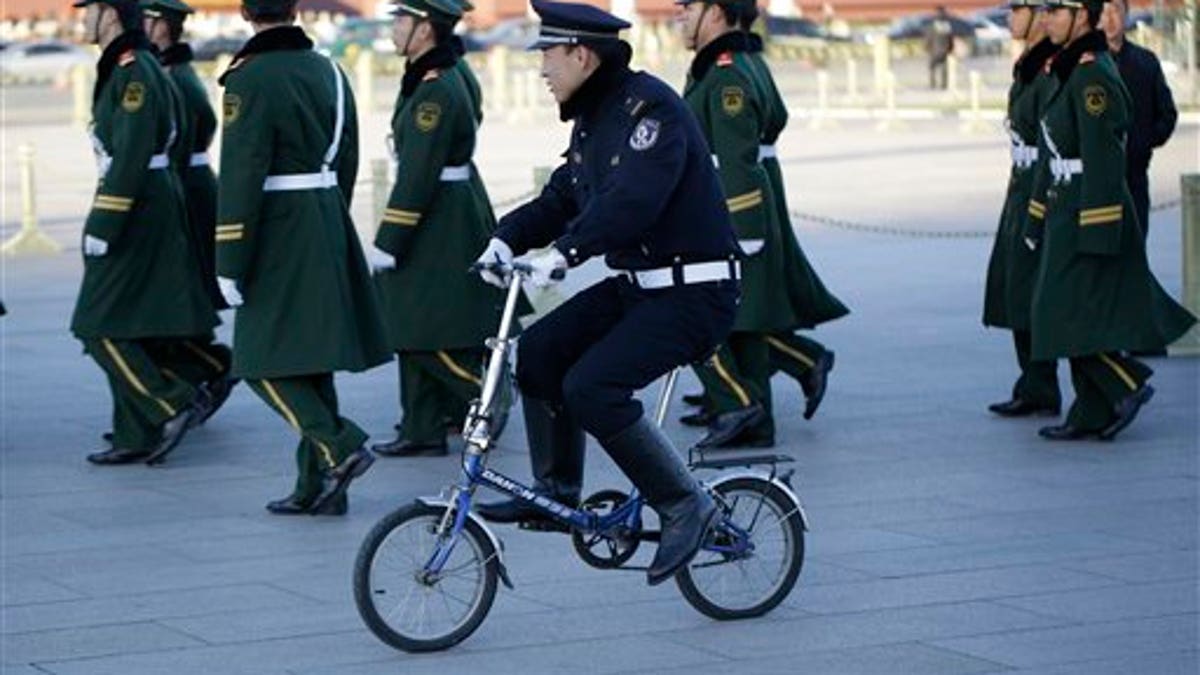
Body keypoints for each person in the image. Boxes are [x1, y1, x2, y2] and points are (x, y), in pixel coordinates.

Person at [473, 0, 741, 586]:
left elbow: (632, 202)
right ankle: (554, 490)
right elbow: (566, 195)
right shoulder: (595, 118)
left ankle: (683, 502)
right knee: (540, 351)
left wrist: (565, 255)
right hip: (640, 287)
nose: (541, 67)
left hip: (696, 292)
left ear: (582, 54)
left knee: (593, 388)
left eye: (548, 54)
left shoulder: (652, 111)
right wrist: (504, 237)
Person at [215, 0, 389, 514]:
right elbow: (349, 153)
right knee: (310, 359)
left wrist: (229, 258)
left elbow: (242, 173)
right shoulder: (331, 70)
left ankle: (340, 444)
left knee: (258, 359)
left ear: (247, 13)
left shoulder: (249, 78)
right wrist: (327, 209)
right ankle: (317, 486)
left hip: (277, 226)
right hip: (326, 215)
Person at [1025, 0, 1194, 441]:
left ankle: (1125, 382)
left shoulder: (1091, 73)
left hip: (1088, 208)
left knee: (1060, 312)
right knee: (1068, 312)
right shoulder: (1067, 68)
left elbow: (1102, 155)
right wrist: (1036, 216)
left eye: (1056, 12)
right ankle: (1091, 411)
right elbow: (1051, 151)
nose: (1047, 20)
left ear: (1082, 16)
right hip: (1066, 205)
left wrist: (1099, 225)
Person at [679, 3, 846, 436]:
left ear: (716, 13)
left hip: (731, 203)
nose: (679, 15)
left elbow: (738, 158)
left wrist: (745, 224)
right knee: (741, 310)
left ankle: (743, 406)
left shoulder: (728, 72)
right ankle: (742, 404)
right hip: (726, 197)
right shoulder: (730, 64)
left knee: (735, 309)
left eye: (689, 7)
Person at [70, 0, 217, 466]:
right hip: (148, 202)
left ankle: (169, 402)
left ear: (110, 14)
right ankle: (135, 433)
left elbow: (133, 152)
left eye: (87, 10)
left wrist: (105, 221)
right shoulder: (133, 65)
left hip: (135, 209)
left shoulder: (134, 70)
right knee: (130, 325)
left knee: (97, 325)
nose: (82, 19)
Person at [367, 0, 506, 458]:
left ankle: (490, 398)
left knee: (425, 322)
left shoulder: (436, 88)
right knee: (413, 319)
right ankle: (421, 424)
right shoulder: (439, 75)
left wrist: (390, 238)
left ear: (425, 29)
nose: (395, 29)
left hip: (438, 218)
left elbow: (418, 172)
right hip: (447, 208)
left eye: (402, 21)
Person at [140, 0, 237, 420]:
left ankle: (211, 366)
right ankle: (204, 368)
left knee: (185, 290)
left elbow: (177, 142)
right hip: (189, 184)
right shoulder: (172, 72)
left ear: (163, 26)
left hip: (188, 188)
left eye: (147, 19)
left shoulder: (175, 78)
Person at [982, 0, 1062, 419]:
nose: (1010, 17)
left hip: (1038, 184)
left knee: (1031, 287)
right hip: (1020, 181)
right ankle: (1033, 383)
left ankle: (1043, 382)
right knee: (1015, 286)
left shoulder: (1051, 69)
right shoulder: (1030, 66)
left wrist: (1037, 202)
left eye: (1018, 9)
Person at [1100, 0, 1176, 239]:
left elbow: (1167, 114)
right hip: (1096, 182)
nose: (1110, 19)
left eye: (1116, 11)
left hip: (1135, 178)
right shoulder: (1086, 63)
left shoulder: (1145, 62)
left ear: (1126, 15)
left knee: (1135, 250)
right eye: (1104, 12)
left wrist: (1144, 142)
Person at [926, 5, 955, 90]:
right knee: (944, 67)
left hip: (935, 49)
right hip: (945, 49)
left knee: (932, 67)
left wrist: (927, 47)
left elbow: (929, 37)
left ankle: (933, 84)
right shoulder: (947, 25)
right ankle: (944, 84)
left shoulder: (933, 24)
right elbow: (950, 39)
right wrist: (951, 48)